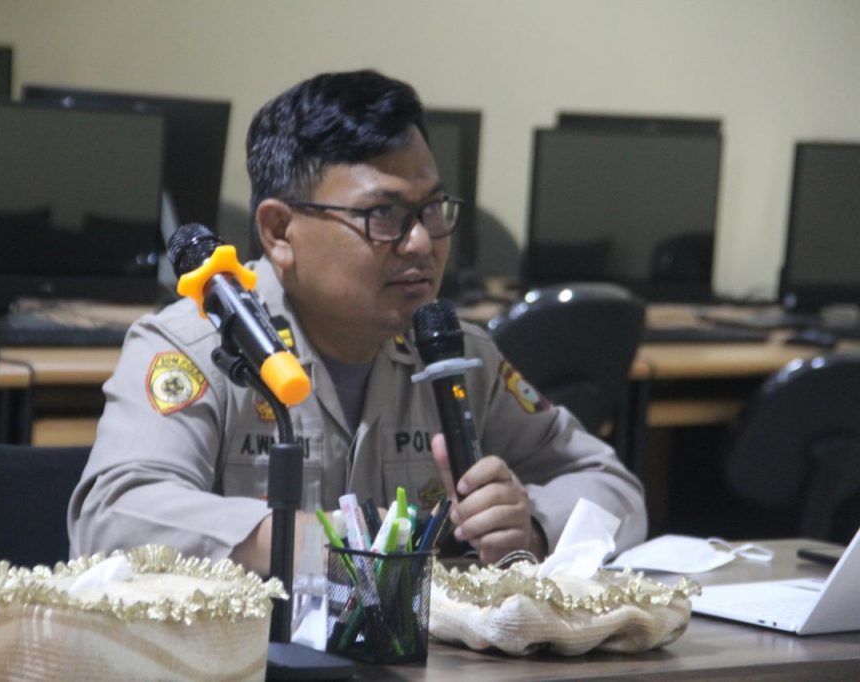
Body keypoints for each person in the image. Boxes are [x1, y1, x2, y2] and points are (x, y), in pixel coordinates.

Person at [68, 70, 647, 575]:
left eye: (431, 210)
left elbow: (614, 488)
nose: (420, 242)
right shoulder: (197, 345)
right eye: (383, 214)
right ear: (278, 232)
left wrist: (533, 525)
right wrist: (309, 543)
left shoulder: (456, 357)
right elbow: (110, 518)